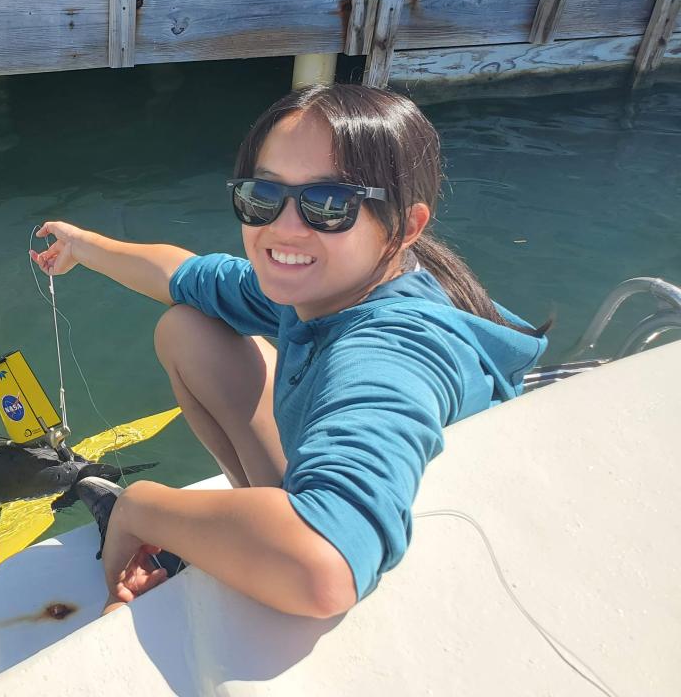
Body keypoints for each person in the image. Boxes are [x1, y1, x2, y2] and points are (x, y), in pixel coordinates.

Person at [30, 84, 548, 618]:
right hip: (402, 507)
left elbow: (325, 567)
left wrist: (142, 510)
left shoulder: (390, 351)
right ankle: (254, 529)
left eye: (329, 204)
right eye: (263, 196)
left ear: (406, 226)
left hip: (430, 580)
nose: (283, 227)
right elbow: (184, 275)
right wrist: (82, 247)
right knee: (187, 329)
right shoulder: (341, 277)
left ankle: (262, 539)